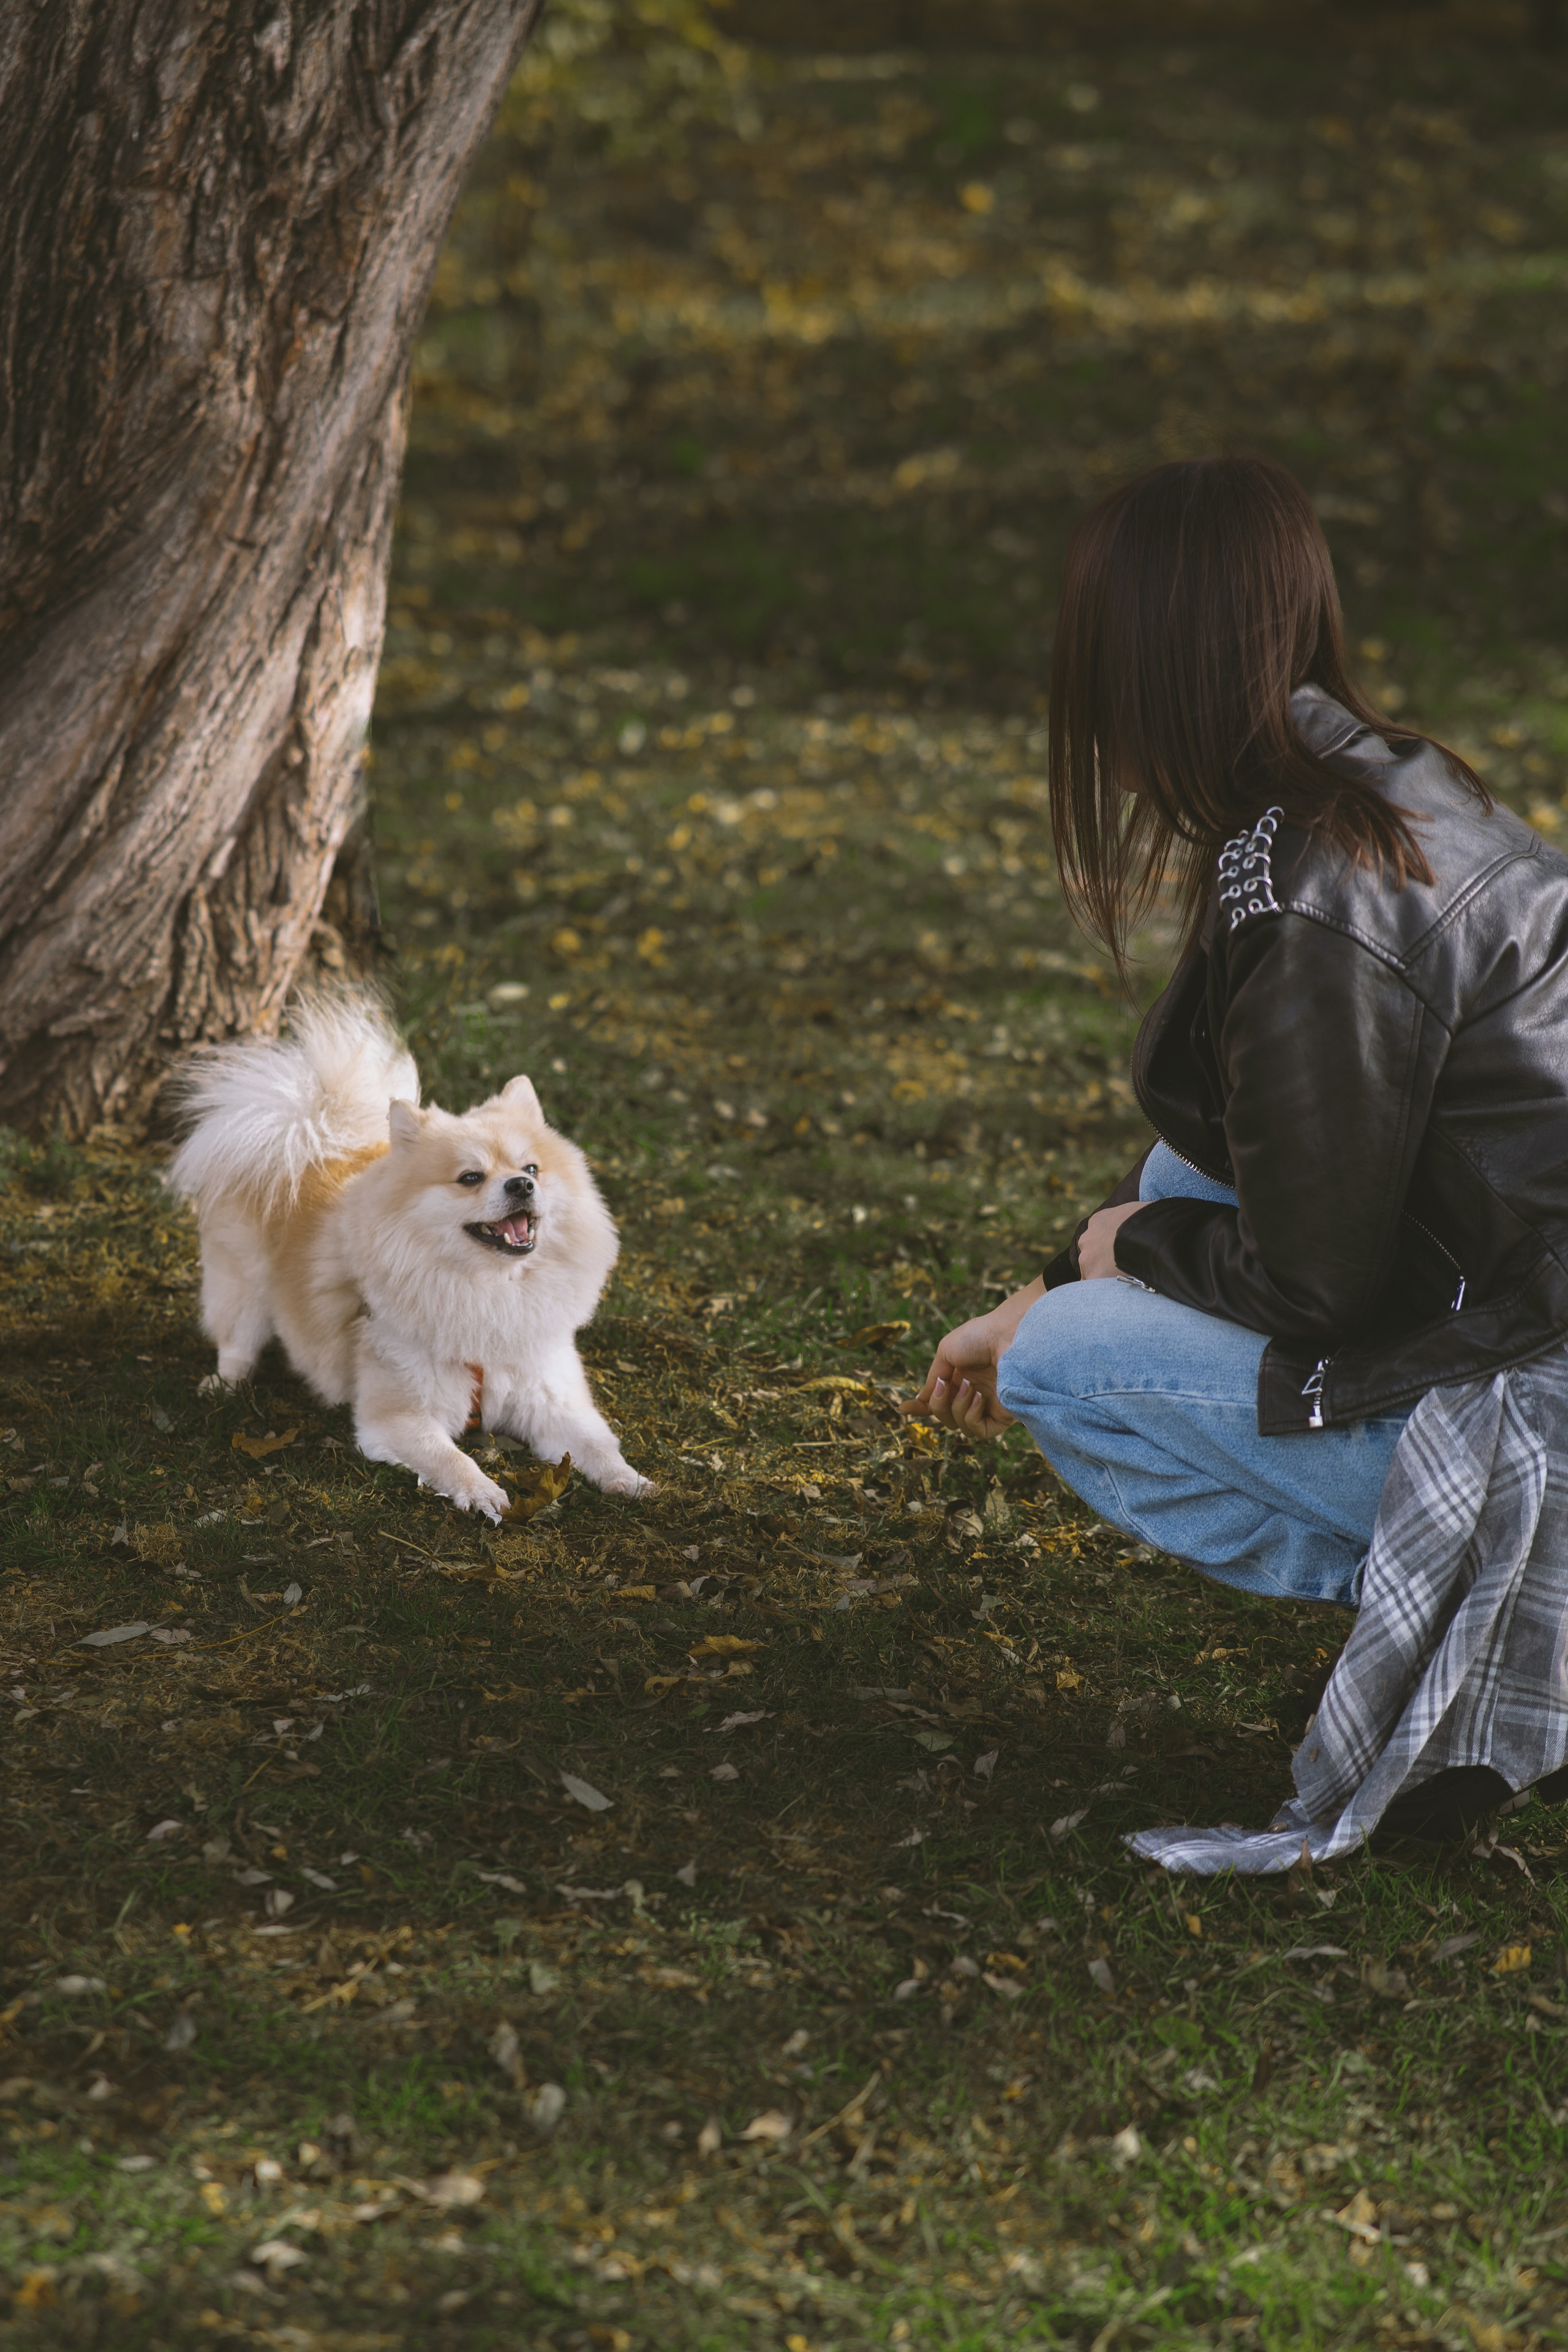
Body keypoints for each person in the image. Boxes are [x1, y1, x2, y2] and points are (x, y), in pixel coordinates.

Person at [903, 453, 1568, 1839]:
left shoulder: (1316, 893)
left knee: (1064, 1368)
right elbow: (1258, 1169)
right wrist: (1079, 1258)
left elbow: (1309, 1285)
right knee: (1156, 1198)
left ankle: (1469, 1634)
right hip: (1514, 1298)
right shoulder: (1377, 788)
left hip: (1531, 1413)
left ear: (1138, 672)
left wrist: (1102, 1268)